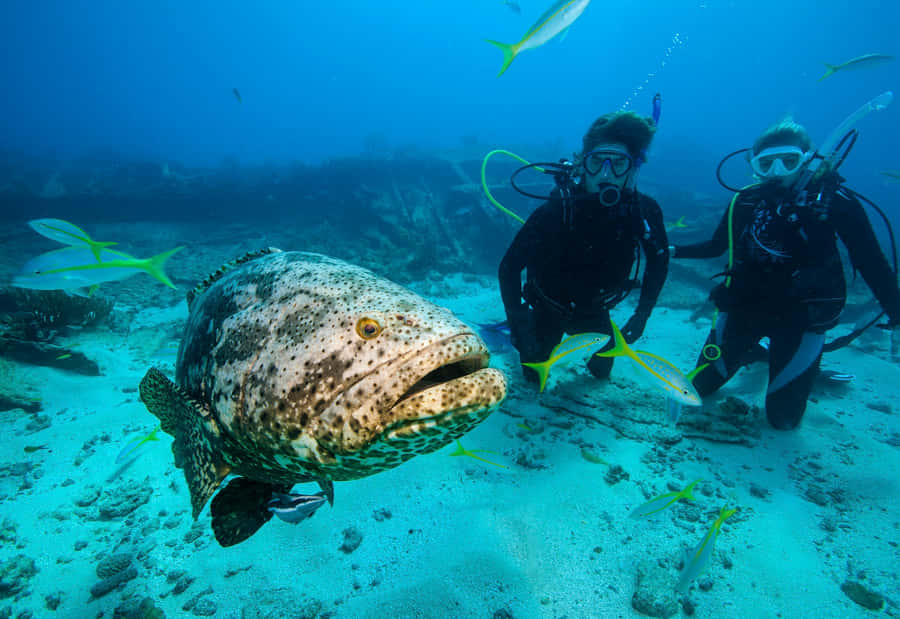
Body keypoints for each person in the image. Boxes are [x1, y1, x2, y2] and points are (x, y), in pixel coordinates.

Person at [671, 118, 900, 430]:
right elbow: (715, 246)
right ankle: (760, 352)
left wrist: (895, 310)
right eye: (767, 164)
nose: (777, 171)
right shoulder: (746, 200)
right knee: (697, 390)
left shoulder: (835, 203)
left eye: (788, 161)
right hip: (743, 309)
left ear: (807, 159)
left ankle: (778, 357)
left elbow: (871, 261)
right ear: (755, 166)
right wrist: (668, 250)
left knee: (783, 419)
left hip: (803, 319)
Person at [499, 111, 669, 384]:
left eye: (618, 164)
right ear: (581, 165)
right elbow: (508, 268)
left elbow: (659, 262)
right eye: (597, 161)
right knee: (533, 375)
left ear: (633, 169)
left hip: (594, 309)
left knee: (602, 373)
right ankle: (515, 331)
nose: (606, 173)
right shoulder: (557, 209)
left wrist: (642, 315)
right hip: (547, 305)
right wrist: (518, 319)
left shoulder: (644, 211)